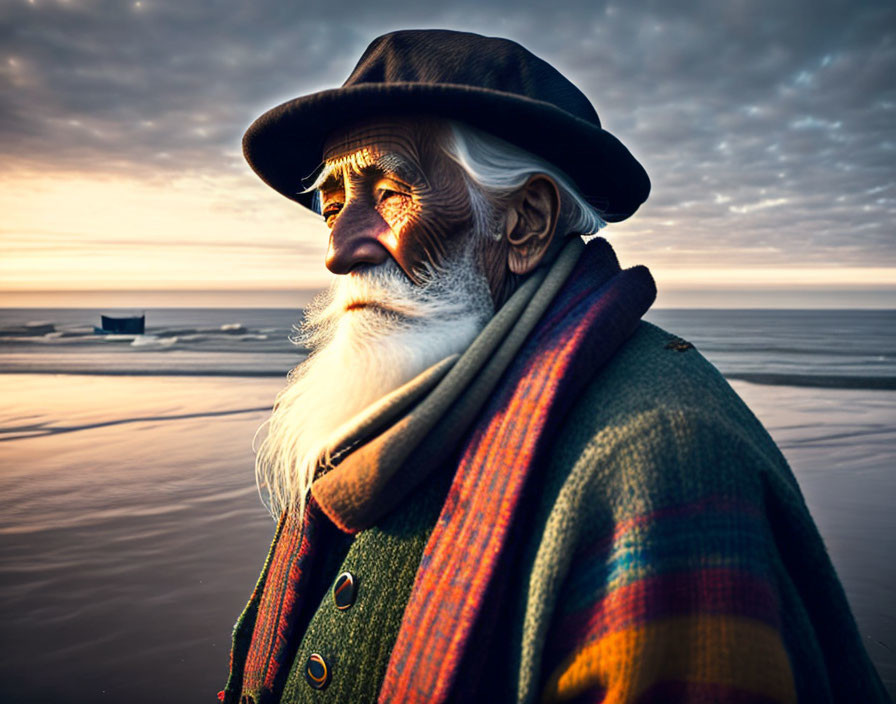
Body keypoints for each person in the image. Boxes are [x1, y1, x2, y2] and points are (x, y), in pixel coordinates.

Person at [221, 29, 889, 704]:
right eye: (332, 206)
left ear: (527, 223)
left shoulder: (658, 455)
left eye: (390, 191)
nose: (337, 250)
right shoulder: (374, 412)